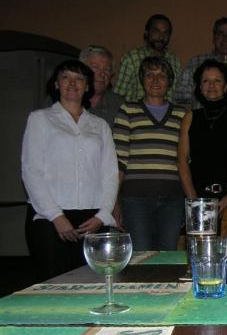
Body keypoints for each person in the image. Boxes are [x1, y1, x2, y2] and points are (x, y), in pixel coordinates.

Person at [21, 60, 119, 280]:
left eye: (79, 79)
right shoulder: (40, 119)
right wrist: (56, 216)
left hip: (92, 220)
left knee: (92, 285)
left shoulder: (100, 125)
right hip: (50, 218)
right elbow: (31, 171)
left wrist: (102, 215)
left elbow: (110, 174)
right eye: (66, 77)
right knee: (53, 286)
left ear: (87, 86)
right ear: (57, 84)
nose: (72, 83)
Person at [113, 56, 186, 251]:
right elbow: (119, 162)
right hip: (135, 199)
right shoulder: (128, 110)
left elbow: (186, 161)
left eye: (161, 75)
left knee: (168, 255)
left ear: (169, 82)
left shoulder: (182, 115)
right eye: (149, 75)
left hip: (172, 199)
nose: (155, 80)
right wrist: (114, 202)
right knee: (140, 255)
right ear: (142, 79)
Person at [177, 60, 227, 209]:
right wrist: (195, 201)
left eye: (217, 81)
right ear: (200, 87)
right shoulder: (190, 117)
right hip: (197, 197)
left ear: (226, 86)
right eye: (206, 81)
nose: (211, 85)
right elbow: (182, 161)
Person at [175, 17, 227, 109]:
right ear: (214, 38)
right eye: (221, 34)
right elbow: (179, 95)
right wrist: (204, 85)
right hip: (203, 116)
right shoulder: (196, 62)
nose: (225, 38)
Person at [114, 14, 181, 102]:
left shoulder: (174, 60)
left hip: (168, 110)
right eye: (156, 32)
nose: (161, 37)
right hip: (136, 110)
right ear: (146, 33)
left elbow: (175, 94)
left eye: (165, 32)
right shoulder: (132, 58)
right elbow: (118, 95)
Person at [79, 45, 123, 128]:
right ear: (81, 70)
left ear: (111, 74)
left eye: (106, 69)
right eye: (95, 67)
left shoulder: (119, 105)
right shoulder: (67, 100)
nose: (102, 74)